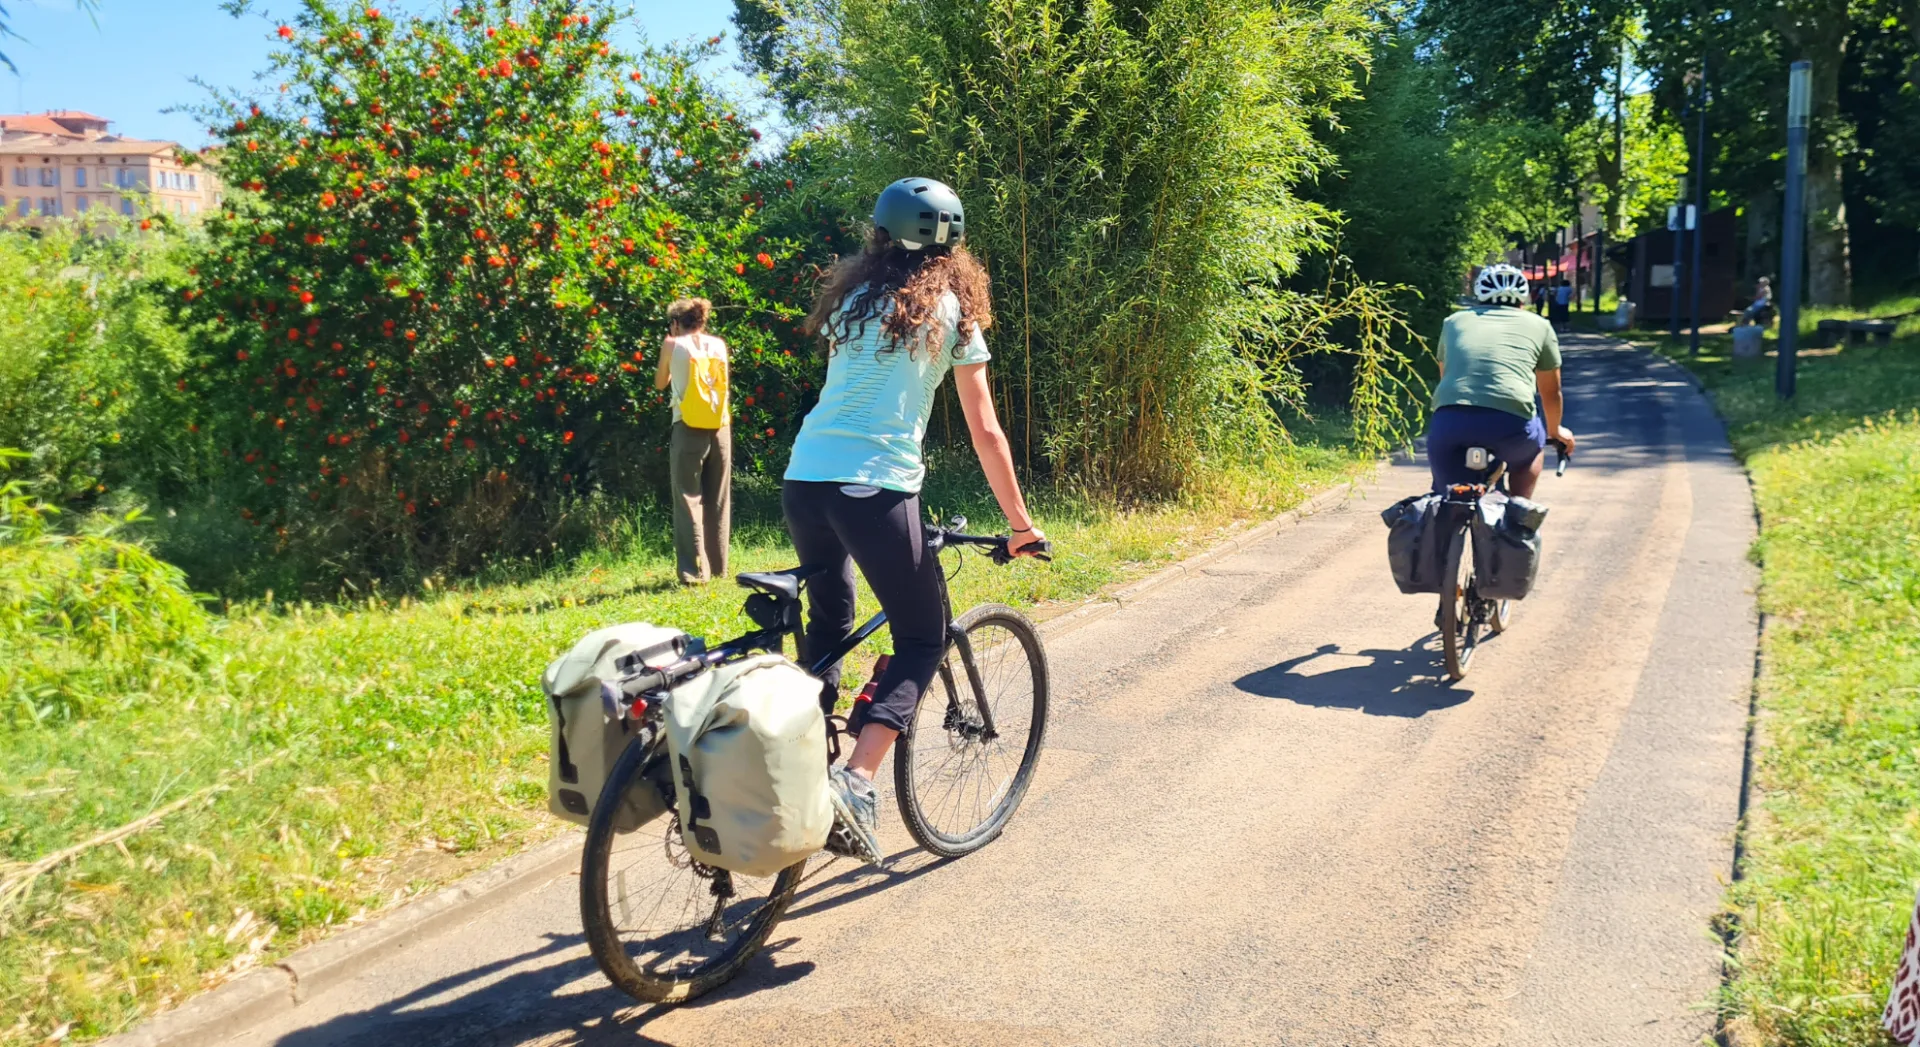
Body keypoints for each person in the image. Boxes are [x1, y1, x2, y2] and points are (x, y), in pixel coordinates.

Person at [783, 177, 1046, 863]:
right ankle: (856, 780)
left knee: (830, 626)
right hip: (876, 487)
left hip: (804, 478)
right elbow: (986, 430)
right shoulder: (954, 312)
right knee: (923, 637)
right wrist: (1020, 524)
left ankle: (799, 767)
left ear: (877, 233)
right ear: (954, 245)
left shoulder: (853, 297)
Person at [1428, 264, 1576, 500]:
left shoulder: (1454, 322)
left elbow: (1446, 376)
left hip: (1449, 422)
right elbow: (1551, 392)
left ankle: (1441, 525)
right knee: (1530, 454)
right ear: (1523, 298)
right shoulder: (1539, 325)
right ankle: (1518, 514)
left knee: (1445, 498)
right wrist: (1554, 430)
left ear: (1479, 294)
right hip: (1511, 426)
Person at [653, 297, 731, 585]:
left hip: (687, 426)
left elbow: (660, 382)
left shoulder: (673, 344)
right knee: (718, 498)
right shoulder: (719, 345)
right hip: (720, 426)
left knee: (688, 497)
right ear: (702, 321)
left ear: (675, 323)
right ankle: (720, 568)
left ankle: (694, 572)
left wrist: (670, 350)